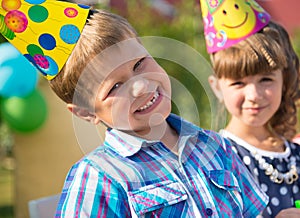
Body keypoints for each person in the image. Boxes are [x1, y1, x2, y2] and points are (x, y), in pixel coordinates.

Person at [46, 8, 269, 217]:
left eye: (140, 64)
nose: (140, 86)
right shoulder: (98, 178)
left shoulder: (214, 145)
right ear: (85, 113)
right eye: (115, 87)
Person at [208, 19, 300, 217]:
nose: (254, 96)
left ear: (284, 80)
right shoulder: (217, 162)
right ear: (216, 86)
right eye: (238, 83)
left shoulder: (296, 154)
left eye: (266, 79)